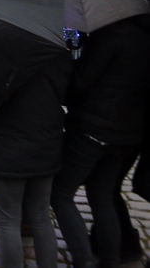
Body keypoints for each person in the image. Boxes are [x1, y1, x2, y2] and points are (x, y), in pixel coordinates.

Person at [51, 16, 150, 268]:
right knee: (102, 194)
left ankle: (84, 261)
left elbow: (81, 81)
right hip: (128, 133)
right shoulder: (142, 34)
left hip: (93, 130)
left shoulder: (112, 35)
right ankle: (111, 260)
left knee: (61, 194)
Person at [0, 51, 72, 267]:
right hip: (45, 143)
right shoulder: (58, 54)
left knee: (7, 220)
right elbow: (68, 93)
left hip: (5, 146)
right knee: (41, 217)